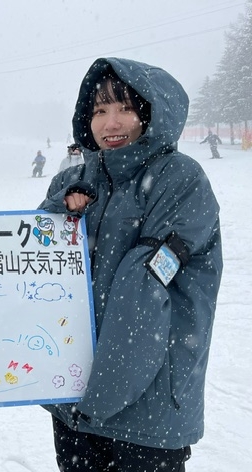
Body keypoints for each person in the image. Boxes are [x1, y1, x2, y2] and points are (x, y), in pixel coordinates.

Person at [38, 57, 222, 471]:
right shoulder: (73, 178)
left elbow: (142, 287)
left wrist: (96, 399)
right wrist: (57, 210)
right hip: (75, 403)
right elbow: (32, 264)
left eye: (124, 108)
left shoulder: (180, 179)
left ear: (151, 113)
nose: (111, 122)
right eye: (99, 110)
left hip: (147, 409)